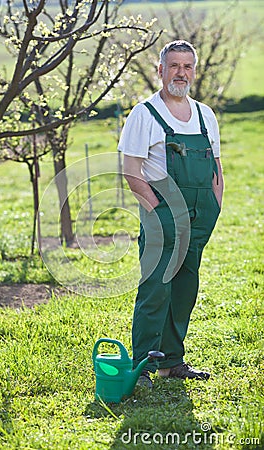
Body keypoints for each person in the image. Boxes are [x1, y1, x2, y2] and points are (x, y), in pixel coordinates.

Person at [118, 40, 224, 386]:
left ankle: (172, 362)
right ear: (160, 70)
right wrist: (157, 213)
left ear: (194, 70)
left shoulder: (205, 115)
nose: (181, 72)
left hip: (200, 215)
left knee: (184, 287)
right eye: (174, 66)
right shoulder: (144, 114)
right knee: (156, 289)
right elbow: (132, 170)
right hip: (163, 214)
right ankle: (144, 365)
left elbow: (216, 170)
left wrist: (214, 208)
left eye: (188, 66)